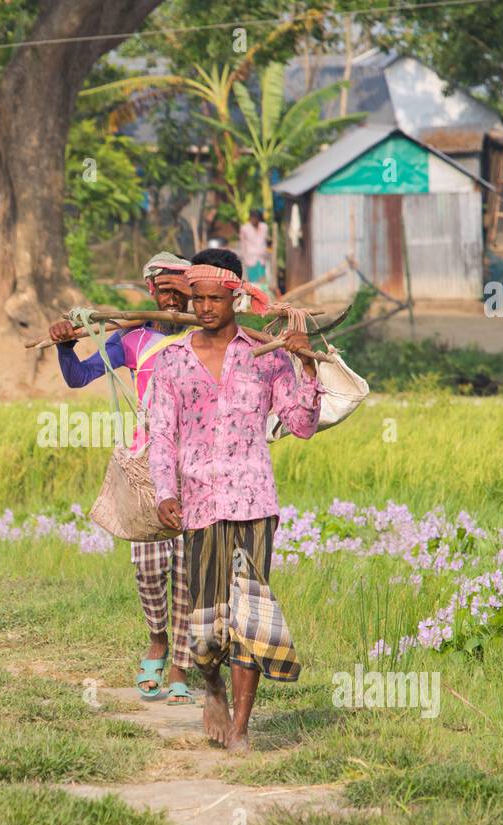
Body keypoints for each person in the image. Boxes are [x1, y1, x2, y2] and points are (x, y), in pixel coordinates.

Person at [149, 247, 323, 752]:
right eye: (195, 299)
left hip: (254, 504)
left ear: (237, 298)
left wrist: (305, 361)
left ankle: (243, 730)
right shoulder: (173, 362)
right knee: (206, 622)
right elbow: (161, 435)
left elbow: (302, 425)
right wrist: (165, 493)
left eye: (214, 299)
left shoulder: (266, 356)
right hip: (198, 505)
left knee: (250, 616)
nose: (204, 308)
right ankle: (211, 686)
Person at [47, 252, 198, 704]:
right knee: (149, 566)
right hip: (148, 459)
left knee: (190, 566)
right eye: (164, 289)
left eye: (182, 289)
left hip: (199, 459)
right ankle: (157, 639)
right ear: (151, 291)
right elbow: (78, 377)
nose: (172, 298)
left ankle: (180, 664)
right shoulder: (133, 340)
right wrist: (63, 345)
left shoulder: (210, 335)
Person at [237, 210, 272, 295]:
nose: (254, 220)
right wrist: (243, 256)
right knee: (253, 281)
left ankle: (263, 296)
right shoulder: (245, 228)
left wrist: (269, 250)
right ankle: (254, 297)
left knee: (263, 279)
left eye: (256, 218)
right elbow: (242, 243)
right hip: (250, 258)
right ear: (250, 218)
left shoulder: (264, 227)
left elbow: (267, 240)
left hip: (262, 257)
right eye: (253, 218)